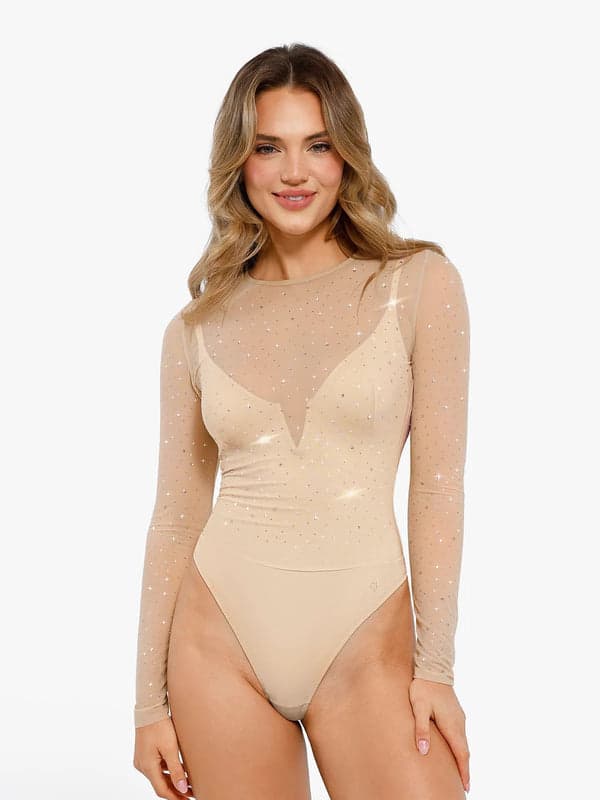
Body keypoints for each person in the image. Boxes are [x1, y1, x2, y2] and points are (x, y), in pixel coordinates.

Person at [133, 43, 471, 800]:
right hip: (218, 645)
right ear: (238, 163)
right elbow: (177, 516)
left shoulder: (418, 286)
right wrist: (147, 704)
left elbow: (437, 489)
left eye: (318, 145)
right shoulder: (194, 329)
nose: (295, 172)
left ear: (347, 154)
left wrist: (436, 669)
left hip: (366, 644)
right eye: (268, 147)